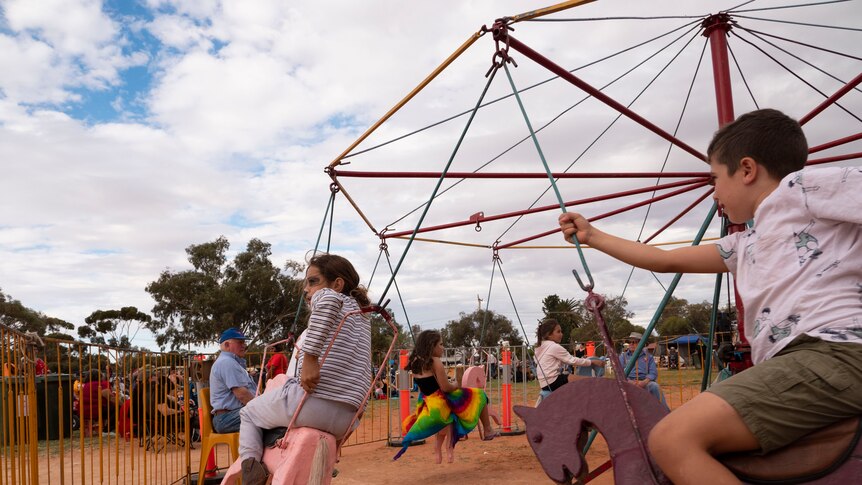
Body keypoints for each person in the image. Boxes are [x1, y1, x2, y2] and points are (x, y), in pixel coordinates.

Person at [558, 108, 862, 485]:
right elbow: (664, 260)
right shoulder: (744, 243)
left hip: (833, 350)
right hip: (799, 360)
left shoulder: (803, 188)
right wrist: (592, 236)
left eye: (716, 177)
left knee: (671, 438)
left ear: (747, 170)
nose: (714, 190)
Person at [238, 254, 372, 485]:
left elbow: (327, 301)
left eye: (313, 281)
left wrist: (310, 358)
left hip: (311, 405)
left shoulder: (331, 298)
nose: (306, 290)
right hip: (347, 419)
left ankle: (251, 472)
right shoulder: (362, 318)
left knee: (248, 413)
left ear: (337, 284)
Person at [394, 330, 497, 463]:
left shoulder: (414, 361)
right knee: (480, 394)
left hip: (427, 400)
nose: (443, 348)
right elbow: (445, 388)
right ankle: (488, 429)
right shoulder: (435, 361)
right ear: (432, 346)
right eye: (441, 344)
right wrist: (455, 384)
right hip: (440, 399)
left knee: (446, 421)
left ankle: (439, 451)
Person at [534, 319, 605, 401]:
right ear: (549, 335)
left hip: (544, 383)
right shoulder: (554, 347)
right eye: (558, 332)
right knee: (588, 381)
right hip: (553, 381)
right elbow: (572, 360)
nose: (561, 334)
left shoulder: (540, 348)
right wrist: (592, 361)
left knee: (571, 378)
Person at [209, 327, 257, 434]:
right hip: (227, 418)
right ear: (227, 345)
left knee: (269, 415)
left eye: (244, 342)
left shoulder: (232, 362)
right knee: (269, 416)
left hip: (230, 416)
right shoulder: (227, 362)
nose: (244, 345)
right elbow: (242, 395)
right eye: (240, 342)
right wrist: (262, 407)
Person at [619, 332, 668, 410]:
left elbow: (653, 373)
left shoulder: (649, 357)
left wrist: (644, 382)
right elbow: (619, 373)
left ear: (641, 344)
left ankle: (665, 413)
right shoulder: (623, 357)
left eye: (634, 342)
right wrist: (629, 381)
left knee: (654, 386)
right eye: (629, 342)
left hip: (644, 382)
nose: (631, 344)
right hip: (628, 383)